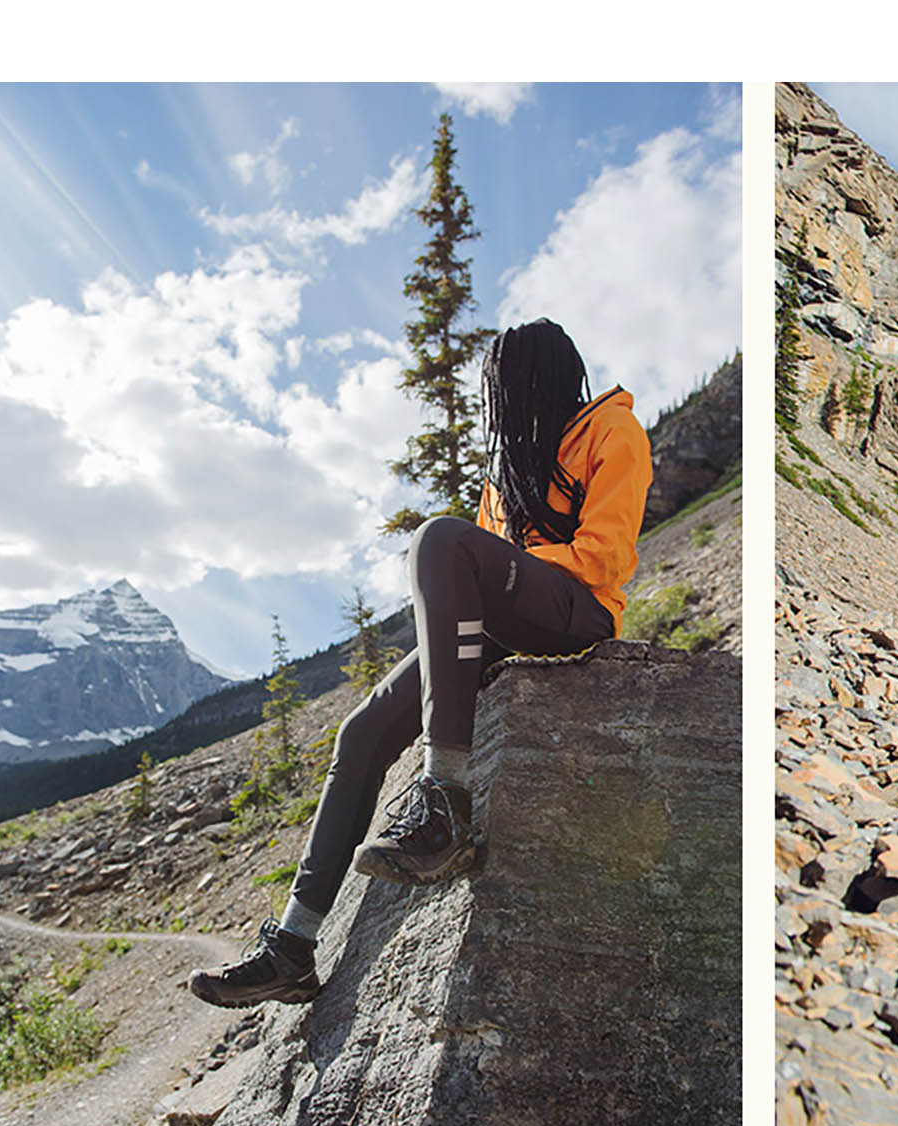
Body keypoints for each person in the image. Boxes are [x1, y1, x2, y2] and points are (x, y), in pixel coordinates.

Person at [190, 319, 652, 1008]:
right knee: (361, 733)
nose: (499, 405)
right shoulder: (510, 472)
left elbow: (603, 560)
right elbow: (484, 579)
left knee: (440, 538)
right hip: (513, 618)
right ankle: (292, 944)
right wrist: (489, 583)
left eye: (507, 386)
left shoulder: (615, 433)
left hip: (579, 611)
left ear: (543, 378)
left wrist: (504, 568)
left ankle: (445, 799)